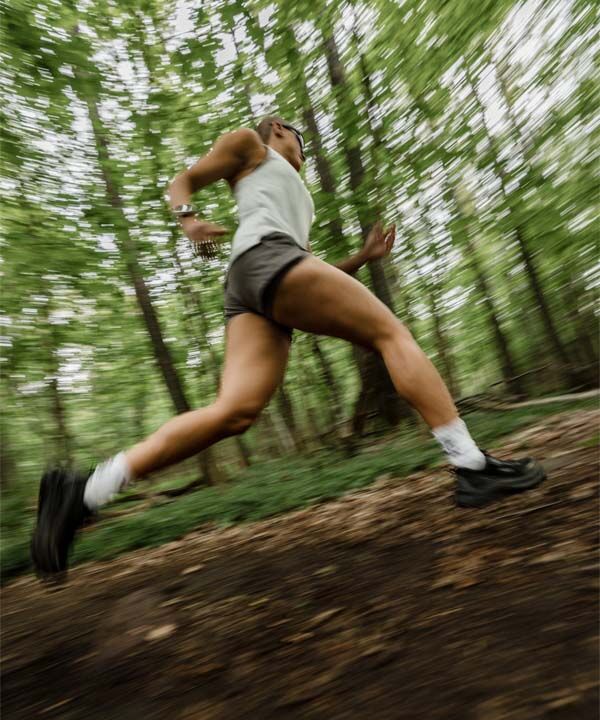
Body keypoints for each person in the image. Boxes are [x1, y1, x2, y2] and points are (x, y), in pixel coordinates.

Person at [30, 116, 545, 579]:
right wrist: (188, 220)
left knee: (234, 412)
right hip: (264, 263)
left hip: (261, 281)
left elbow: (308, 274)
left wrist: (361, 259)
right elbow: (181, 181)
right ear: (277, 128)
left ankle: (86, 491)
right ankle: (471, 466)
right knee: (391, 334)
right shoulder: (250, 145)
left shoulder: (288, 191)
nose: (303, 146)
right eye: (299, 137)